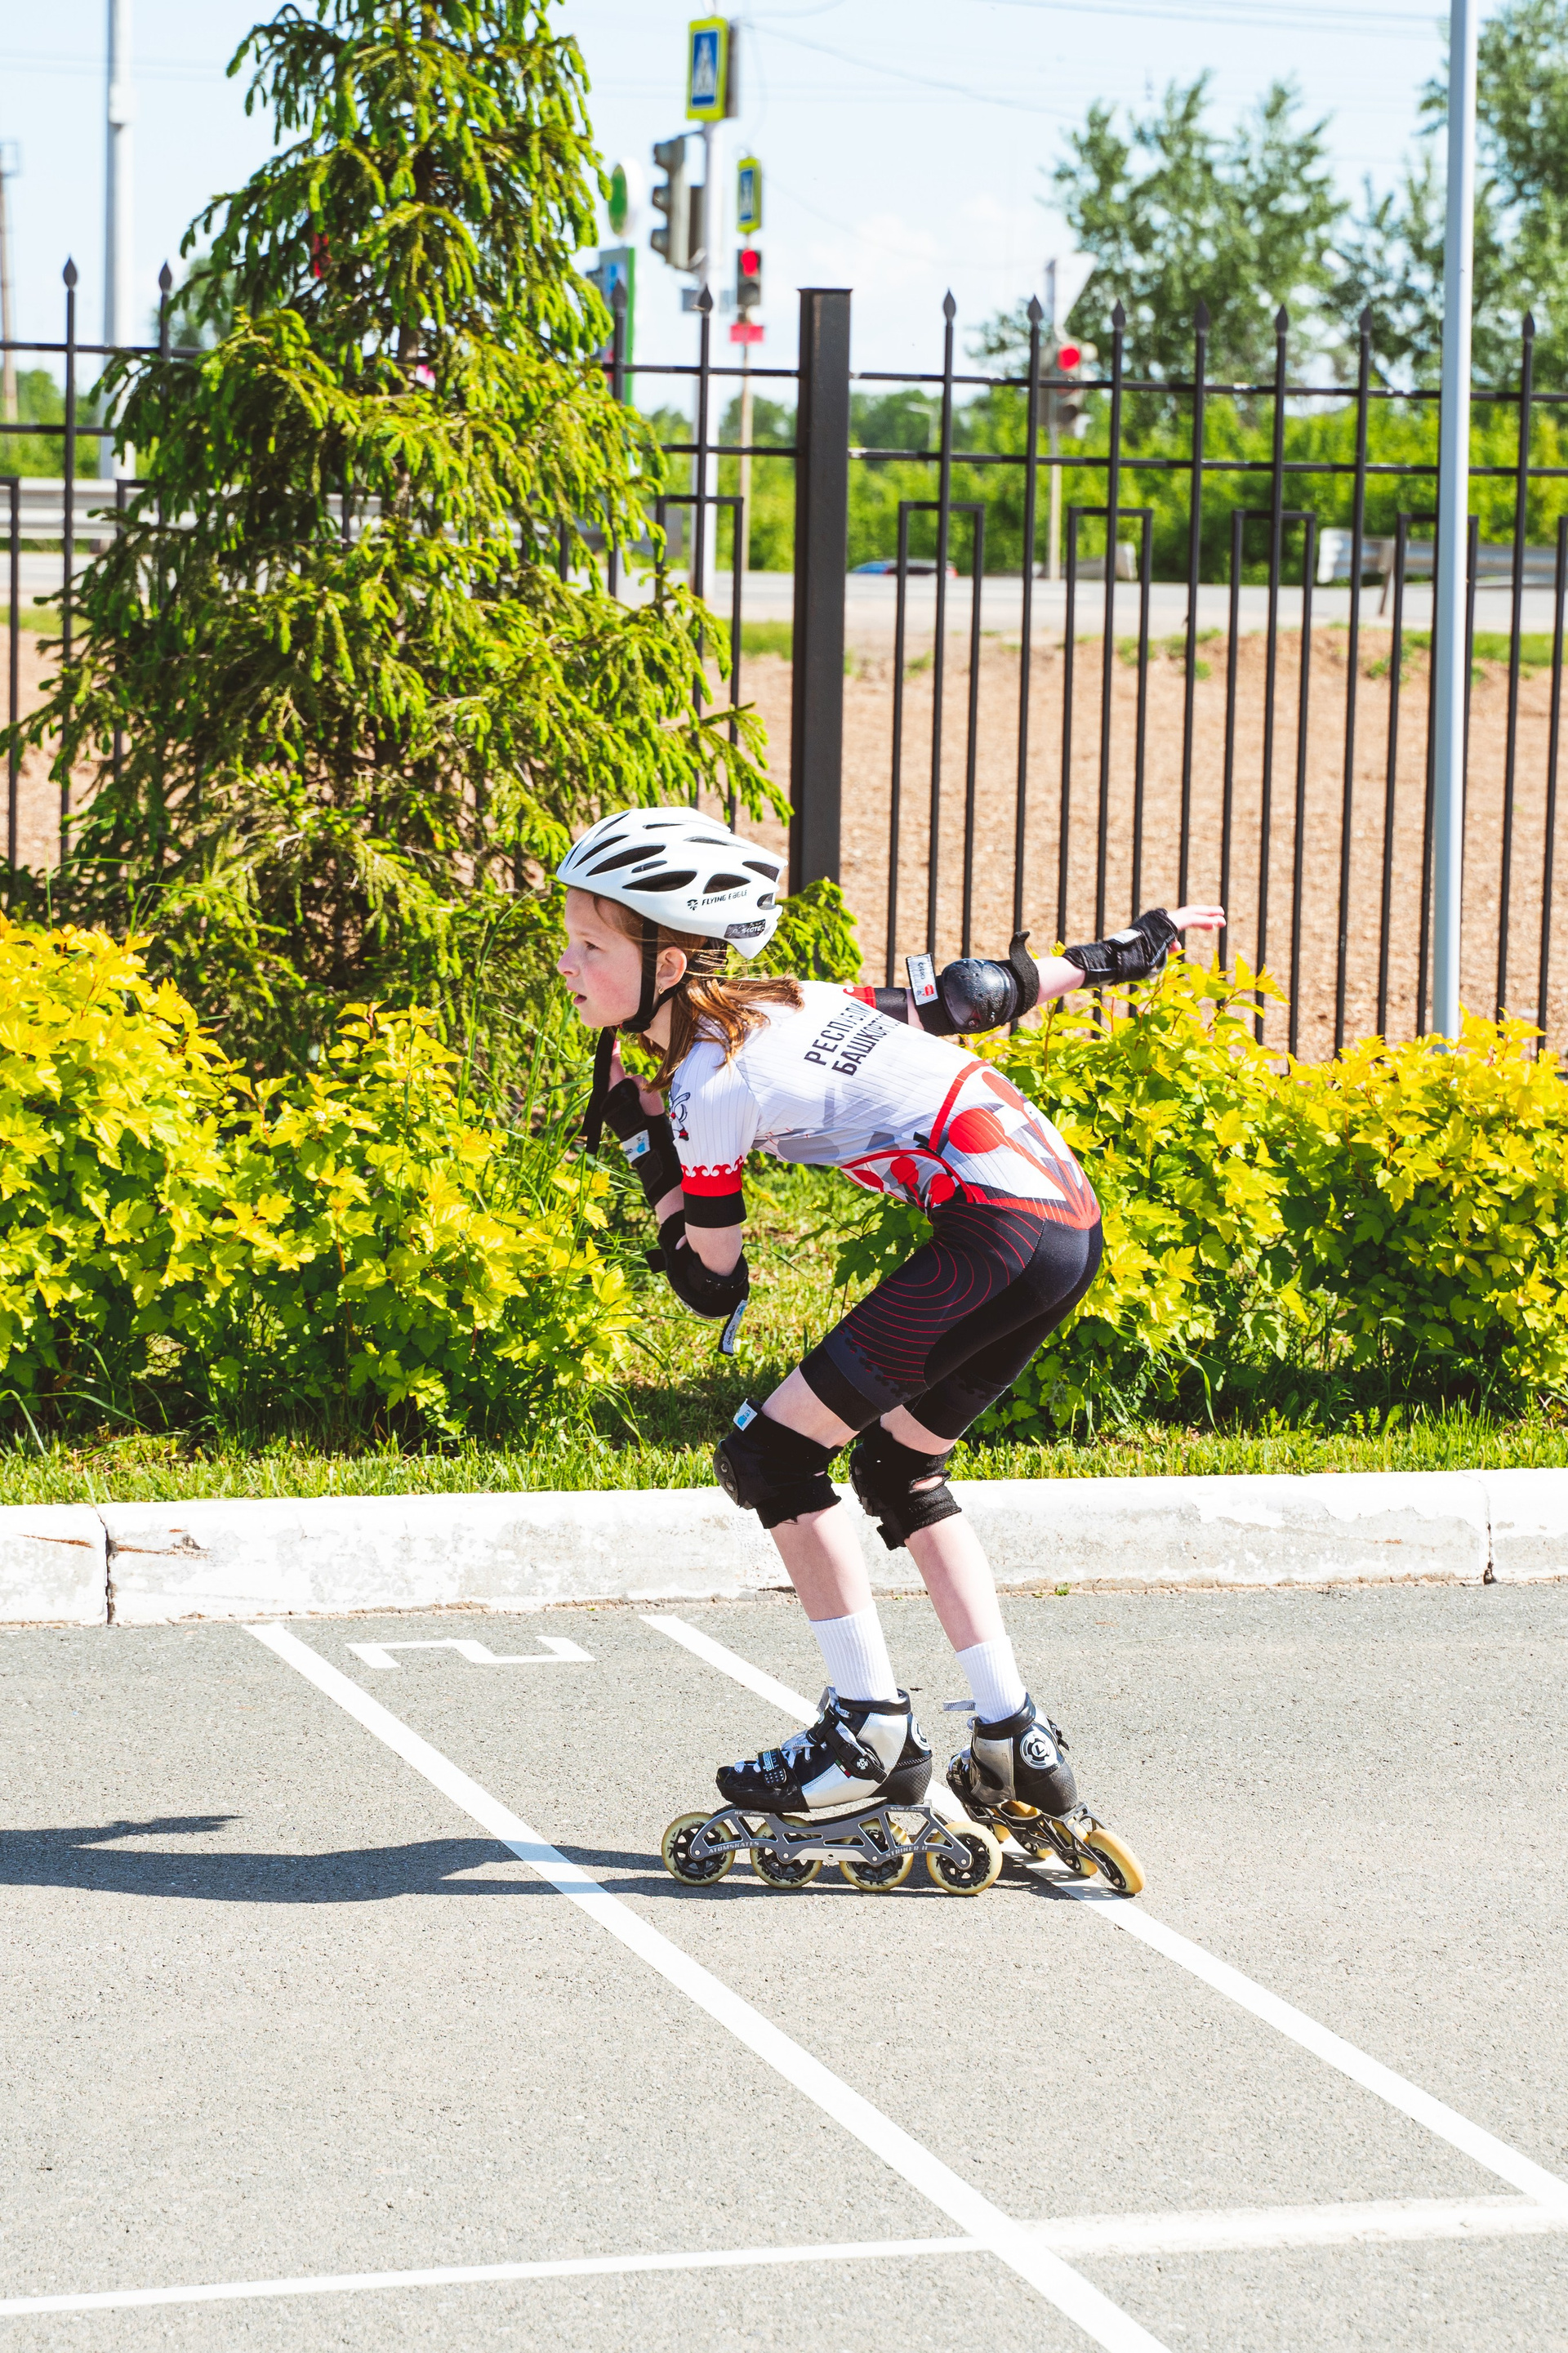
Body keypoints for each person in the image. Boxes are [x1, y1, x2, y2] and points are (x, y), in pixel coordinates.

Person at [557, 805, 1224, 1846]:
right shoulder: (793, 998)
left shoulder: (708, 1084)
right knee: (899, 1469)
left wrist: (647, 1145)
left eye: (590, 945)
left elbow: (711, 1281)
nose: (567, 963)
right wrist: (1118, 954)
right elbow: (966, 997)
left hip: (996, 1233)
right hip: (1064, 1224)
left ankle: (868, 1734)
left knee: (771, 1458)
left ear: (672, 962)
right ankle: (1012, 1738)